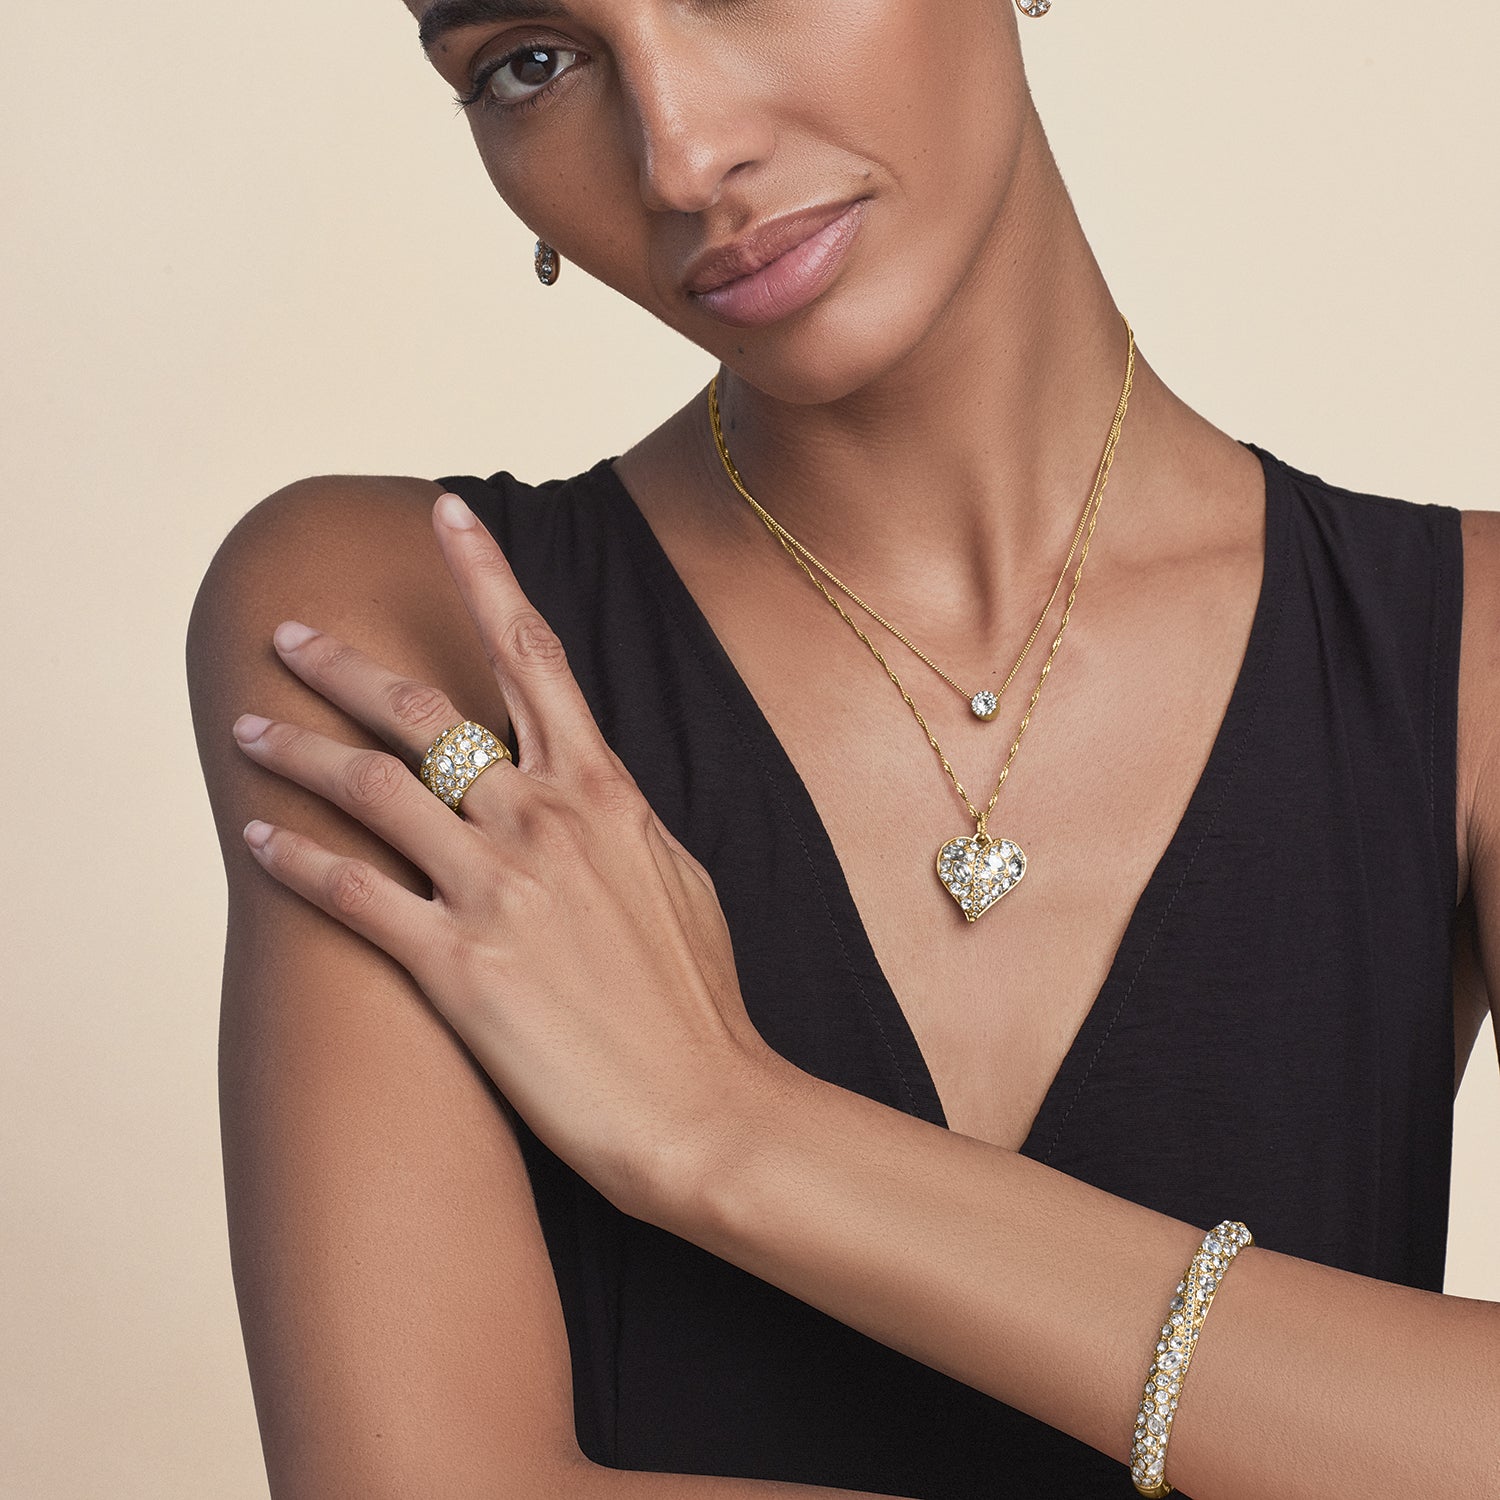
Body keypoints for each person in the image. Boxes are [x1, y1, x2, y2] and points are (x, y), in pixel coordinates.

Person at [185, 2, 1500, 1496]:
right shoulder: (402, 623)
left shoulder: (1467, 660)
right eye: (529, 63)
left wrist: (727, 1123)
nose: (682, 157)